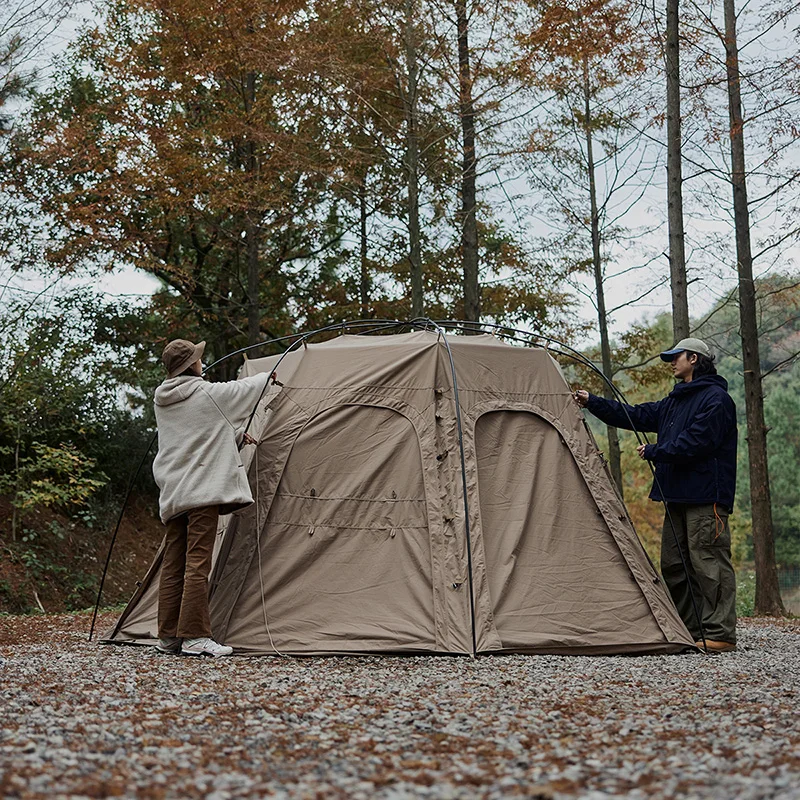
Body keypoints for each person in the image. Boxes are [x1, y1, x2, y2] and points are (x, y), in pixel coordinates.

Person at [574, 337, 738, 653]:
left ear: (694, 358)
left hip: (707, 498)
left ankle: (720, 633)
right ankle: (691, 629)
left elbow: (698, 441)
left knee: (709, 562)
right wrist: (592, 401)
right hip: (676, 496)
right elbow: (635, 415)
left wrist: (656, 450)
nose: (671, 362)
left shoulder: (717, 400)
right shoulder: (674, 402)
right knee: (675, 566)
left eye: (676, 357)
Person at [152, 338, 270, 657]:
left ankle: (168, 636)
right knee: (197, 562)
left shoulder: (163, 399)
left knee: (175, 564)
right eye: (198, 359)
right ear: (191, 365)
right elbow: (240, 391)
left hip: (175, 493)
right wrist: (268, 375)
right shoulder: (206, 393)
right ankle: (194, 636)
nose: (202, 362)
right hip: (201, 492)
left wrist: (233, 436)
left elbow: (196, 432)